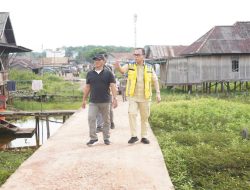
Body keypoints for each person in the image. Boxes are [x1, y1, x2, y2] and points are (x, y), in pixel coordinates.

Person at [114, 48, 161, 144]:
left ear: (143, 56)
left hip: (145, 97)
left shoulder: (149, 67)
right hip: (133, 96)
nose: (136, 56)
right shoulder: (130, 65)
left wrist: (158, 93)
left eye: (138, 55)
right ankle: (134, 136)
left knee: (145, 117)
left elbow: (155, 80)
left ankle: (144, 136)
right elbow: (122, 71)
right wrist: (118, 66)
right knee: (132, 113)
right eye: (134, 55)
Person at [82, 53, 118, 146]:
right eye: (95, 60)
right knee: (91, 118)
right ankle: (93, 138)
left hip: (105, 101)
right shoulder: (90, 73)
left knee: (106, 121)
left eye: (98, 60)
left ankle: (106, 138)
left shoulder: (108, 73)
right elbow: (87, 87)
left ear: (103, 61)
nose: (96, 62)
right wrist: (84, 99)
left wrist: (115, 98)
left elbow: (113, 86)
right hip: (93, 101)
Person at [96, 53, 115, 132]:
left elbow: (112, 80)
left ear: (104, 61)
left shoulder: (109, 68)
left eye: (101, 59)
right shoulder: (95, 68)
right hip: (98, 92)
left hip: (108, 91)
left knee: (109, 109)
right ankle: (99, 126)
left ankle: (111, 122)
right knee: (98, 109)